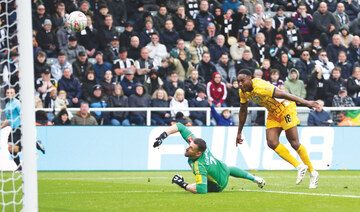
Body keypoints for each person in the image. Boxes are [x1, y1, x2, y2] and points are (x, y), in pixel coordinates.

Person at [236, 69, 319, 188]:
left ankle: (313, 173)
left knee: (294, 143)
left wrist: (306, 103)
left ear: (250, 79)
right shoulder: (242, 92)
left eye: (242, 81)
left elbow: (285, 95)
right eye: (238, 81)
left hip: (286, 108)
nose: (240, 84)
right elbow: (243, 111)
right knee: (271, 142)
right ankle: (299, 166)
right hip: (273, 113)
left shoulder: (261, 87)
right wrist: (239, 132)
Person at [153, 122, 266, 194]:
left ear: (198, 154)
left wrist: (183, 184)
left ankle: (254, 178)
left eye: (191, 149)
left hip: (218, 186)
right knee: (227, 168)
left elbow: (202, 190)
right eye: (189, 145)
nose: (187, 148)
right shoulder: (199, 145)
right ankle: (256, 178)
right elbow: (180, 126)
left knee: (200, 184)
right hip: (222, 168)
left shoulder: (199, 165)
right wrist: (162, 136)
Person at [2, 88, 45, 172]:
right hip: (13, 129)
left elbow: (23, 115)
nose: (9, 94)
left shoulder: (17, 103)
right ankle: (35, 144)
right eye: (7, 92)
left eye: (11, 92)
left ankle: (20, 167)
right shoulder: (8, 105)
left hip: (20, 127)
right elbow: (8, 120)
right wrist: (1, 127)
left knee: (12, 148)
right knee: (13, 149)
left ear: (14, 94)